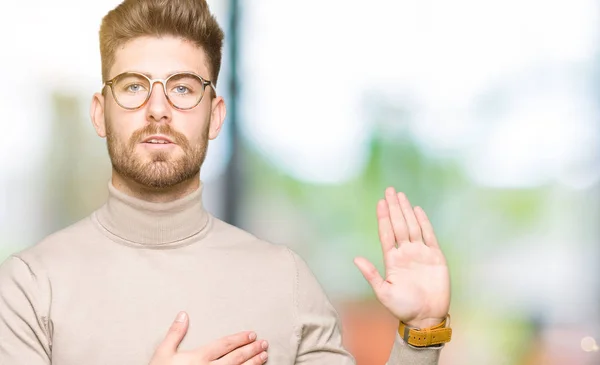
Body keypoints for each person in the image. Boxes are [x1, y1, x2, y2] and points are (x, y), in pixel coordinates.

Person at [0, 0, 452, 364]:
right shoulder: (29, 286)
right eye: (135, 85)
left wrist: (422, 335)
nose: (158, 109)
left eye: (182, 87)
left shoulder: (285, 280)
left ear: (215, 115)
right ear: (100, 111)